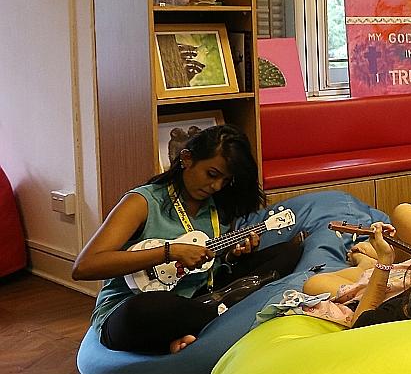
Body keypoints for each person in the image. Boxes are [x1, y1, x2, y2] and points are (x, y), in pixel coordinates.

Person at [73, 124, 302, 355]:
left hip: (201, 293)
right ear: (186, 159)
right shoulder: (142, 202)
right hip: (137, 306)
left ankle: (206, 317)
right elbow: (84, 267)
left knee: (287, 253)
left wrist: (233, 255)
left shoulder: (219, 205)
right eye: (212, 174)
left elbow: (209, 266)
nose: (216, 186)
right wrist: (169, 251)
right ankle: (228, 311)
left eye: (225, 180)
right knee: (144, 311)